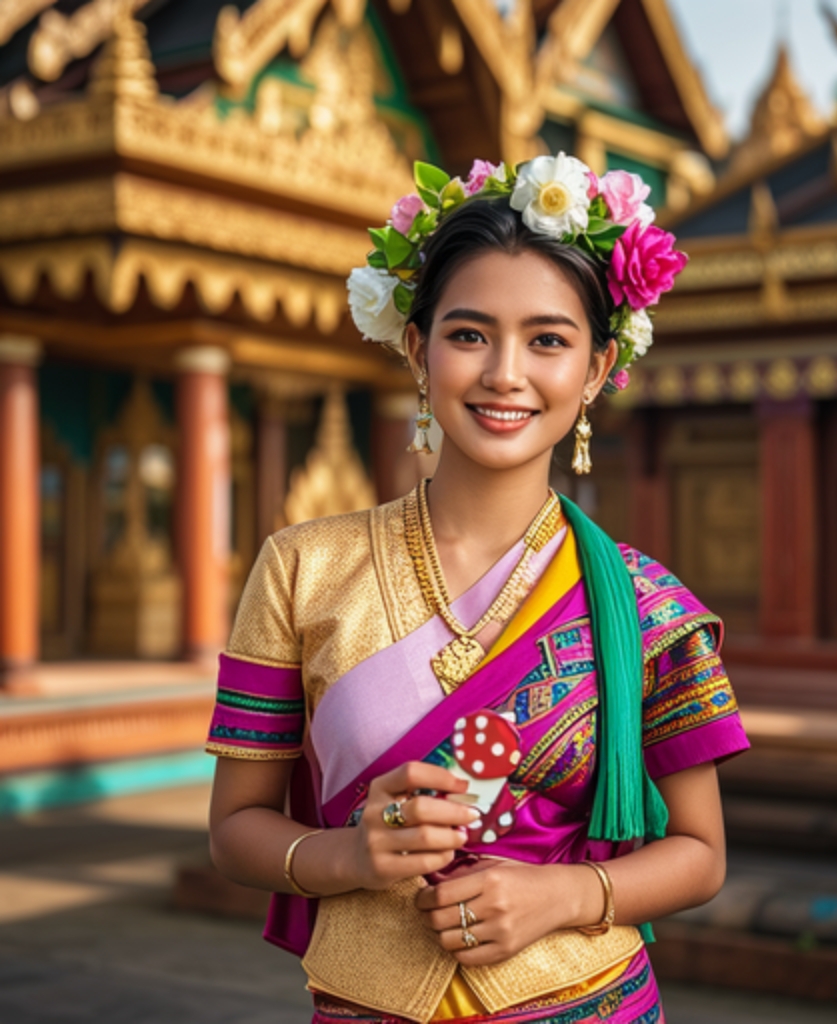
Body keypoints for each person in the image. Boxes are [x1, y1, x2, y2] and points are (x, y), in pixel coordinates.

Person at [207, 153, 749, 1024]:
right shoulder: (302, 568)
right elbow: (235, 830)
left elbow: (701, 853)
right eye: (469, 334)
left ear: (599, 367)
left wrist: (566, 896)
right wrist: (352, 856)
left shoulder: (649, 607)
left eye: (547, 339)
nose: (505, 373)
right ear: (419, 348)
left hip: (590, 1005)